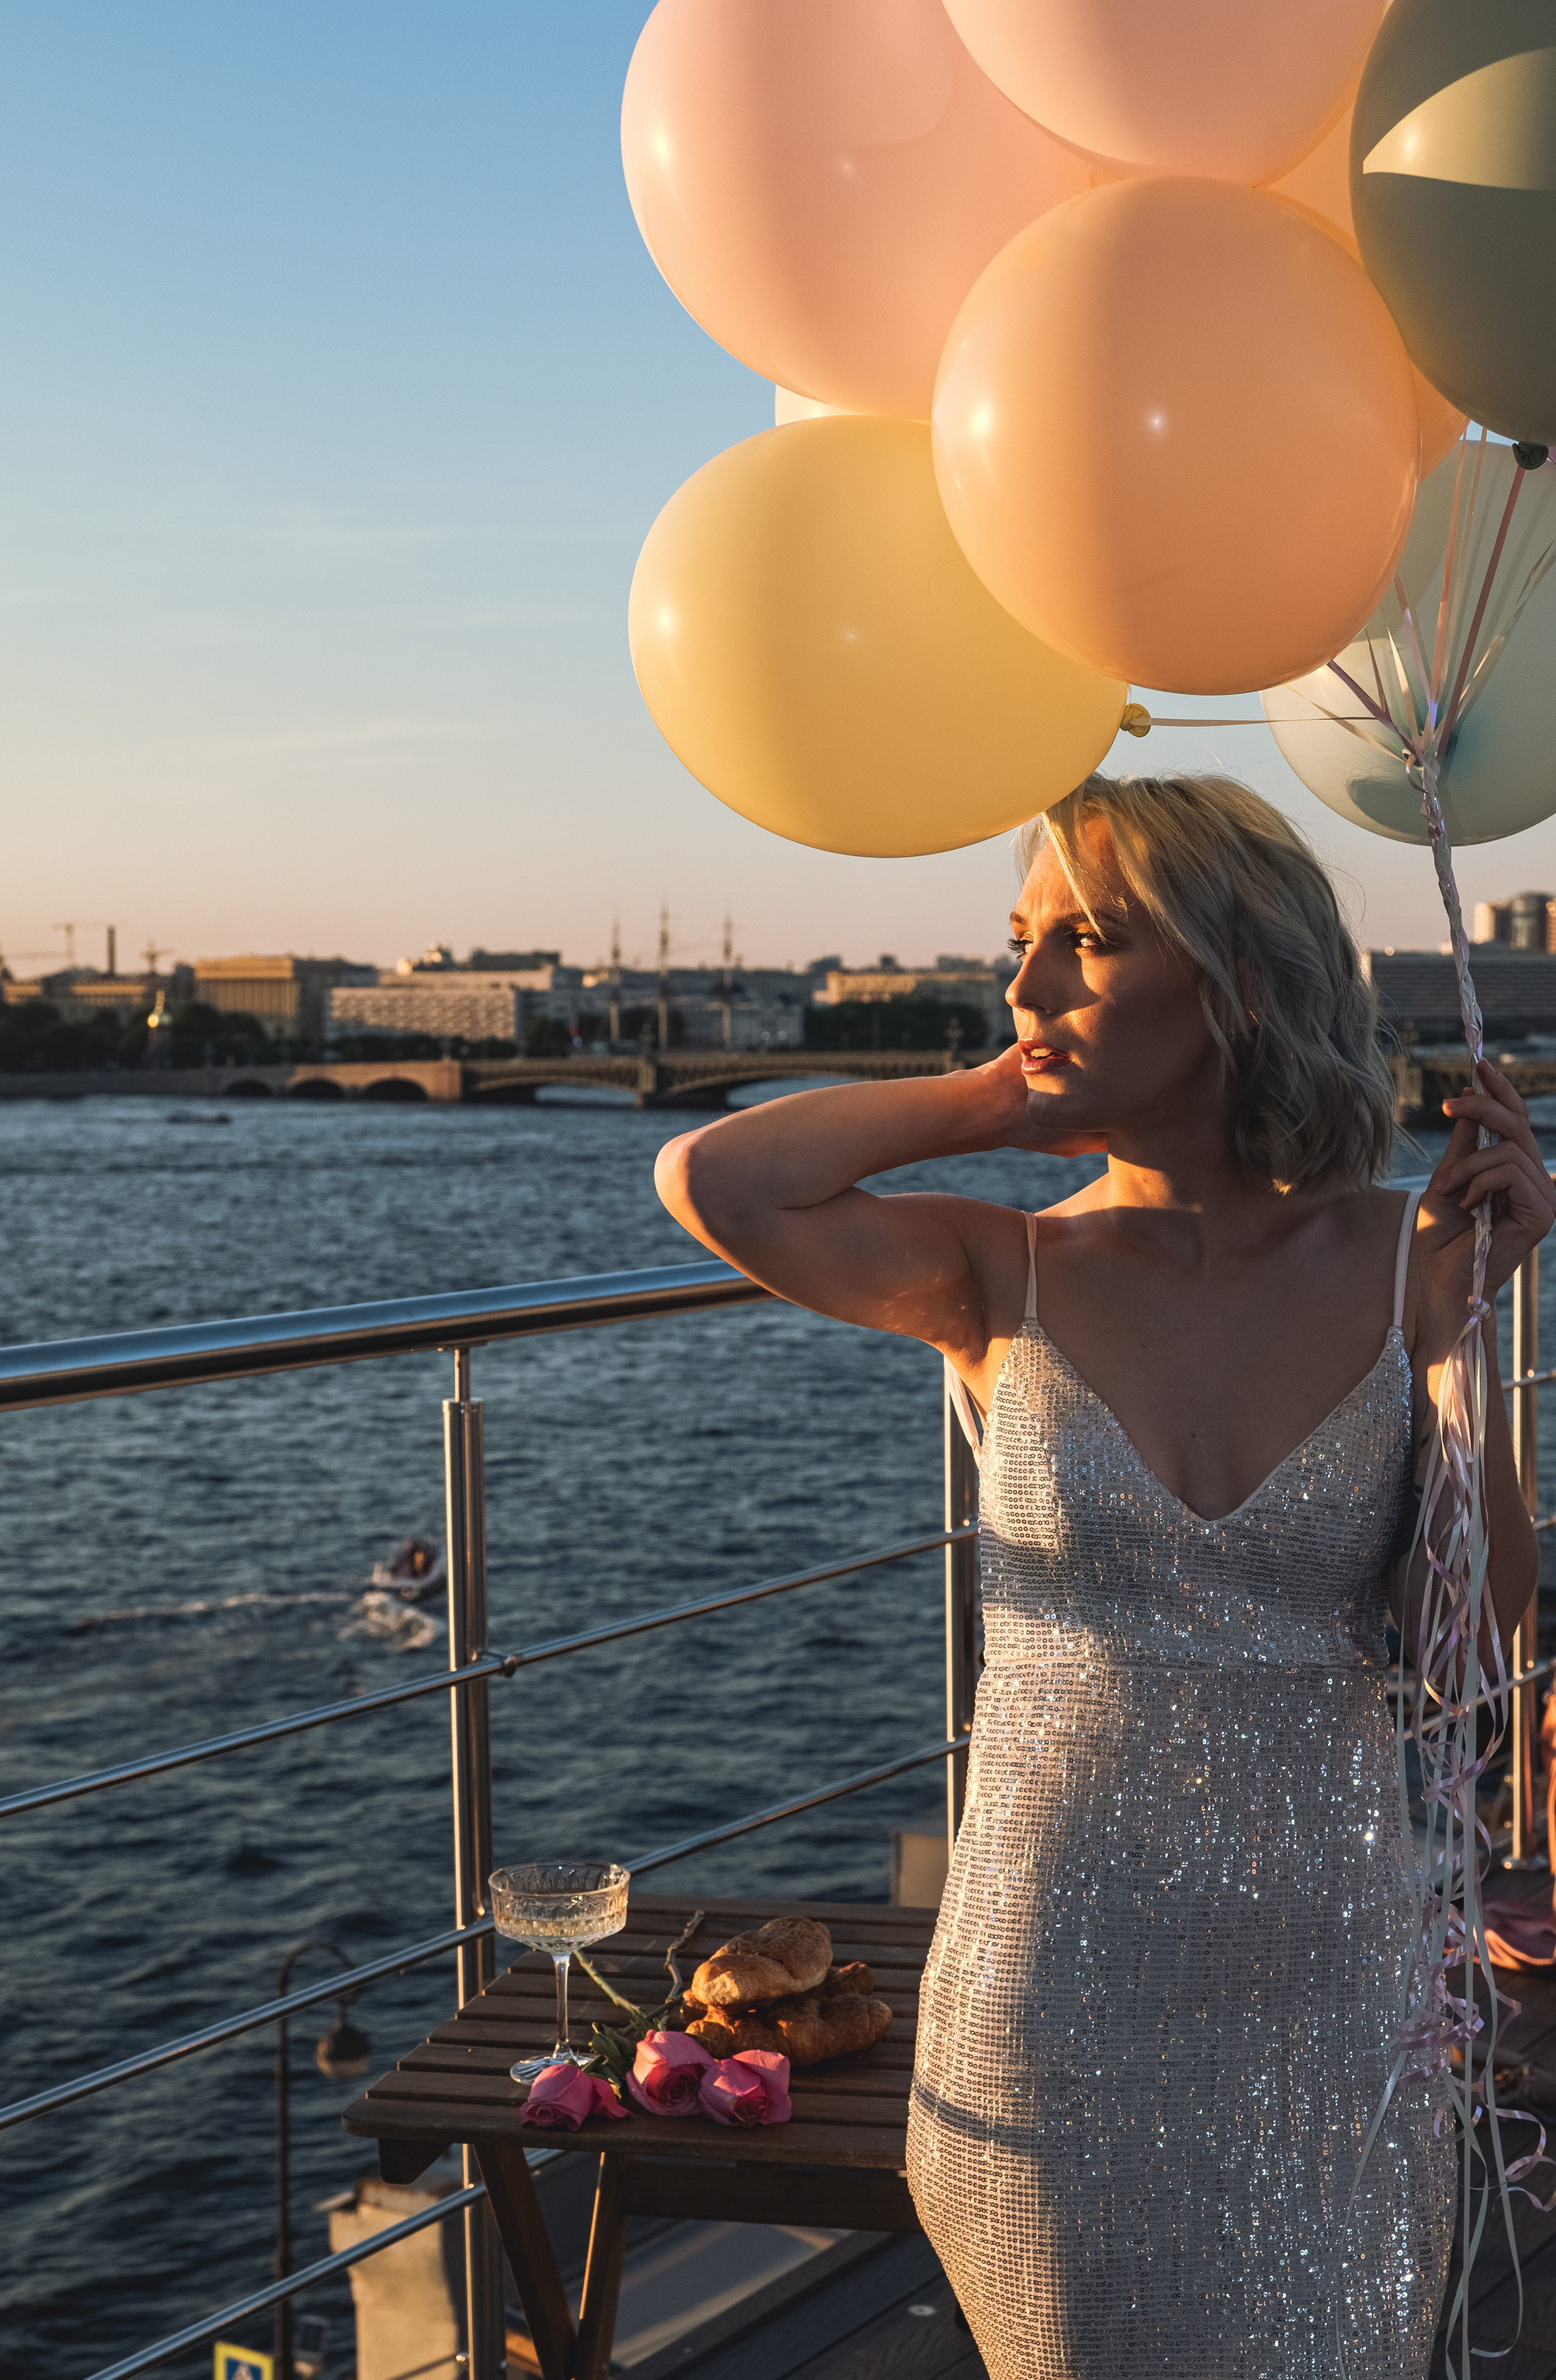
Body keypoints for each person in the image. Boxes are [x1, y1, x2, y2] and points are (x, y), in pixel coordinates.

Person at [654, 773, 1545, 2379]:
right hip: (1046, 2004)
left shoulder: (1401, 1256)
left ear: (1238, 979)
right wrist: (1005, 1096)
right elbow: (719, 1183)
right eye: (1018, 941)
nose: (1024, 984)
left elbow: (1462, 1645)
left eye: (1084, 940)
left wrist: (1466, 1330)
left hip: (1328, 2009)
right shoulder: (995, 1269)